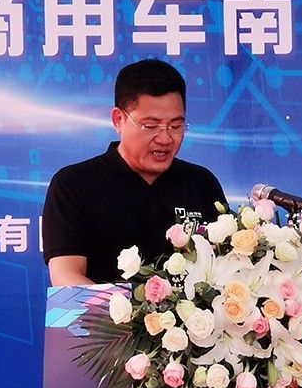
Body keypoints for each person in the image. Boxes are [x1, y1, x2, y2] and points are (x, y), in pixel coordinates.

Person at [42, 58, 227, 285]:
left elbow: (226, 268)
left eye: (176, 126)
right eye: (150, 126)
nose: (165, 138)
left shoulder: (202, 183)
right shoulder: (74, 185)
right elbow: (66, 277)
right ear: (118, 119)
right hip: (108, 310)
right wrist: (129, 307)